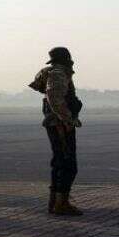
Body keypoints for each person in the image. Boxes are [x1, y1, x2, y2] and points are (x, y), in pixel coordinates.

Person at [28, 47, 83, 215]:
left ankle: (56, 202)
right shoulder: (59, 73)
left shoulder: (54, 71)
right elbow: (54, 95)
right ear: (67, 59)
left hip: (57, 121)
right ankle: (61, 203)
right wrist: (66, 118)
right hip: (60, 123)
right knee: (67, 164)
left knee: (60, 161)